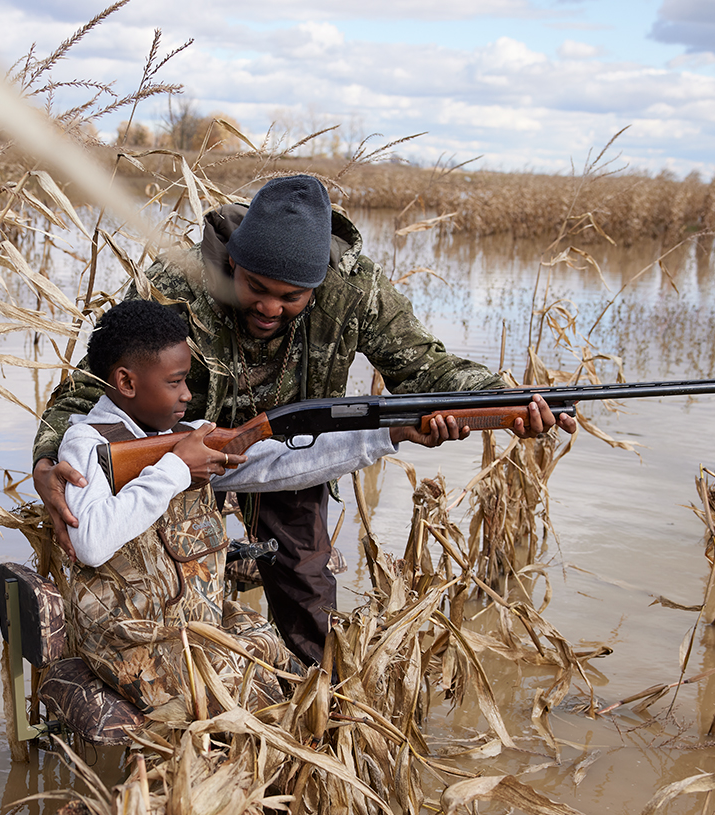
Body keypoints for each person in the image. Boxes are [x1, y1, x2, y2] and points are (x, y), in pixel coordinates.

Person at [34, 175, 576, 666]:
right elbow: (98, 381)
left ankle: (312, 721)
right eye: (256, 288)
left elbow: (425, 369)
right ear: (231, 266)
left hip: (293, 450)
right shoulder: (179, 283)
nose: (270, 308)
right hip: (180, 454)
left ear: (318, 286)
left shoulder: (356, 289)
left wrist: (501, 405)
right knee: (174, 595)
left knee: (307, 592)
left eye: (291, 297)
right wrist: (48, 457)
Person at [61, 299, 469, 711]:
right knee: (258, 703)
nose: (188, 393)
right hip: (130, 644)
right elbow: (91, 542)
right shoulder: (88, 444)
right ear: (127, 383)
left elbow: (280, 461)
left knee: (298, 673)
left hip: (193, 627)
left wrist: (390, 435)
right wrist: (175, 469)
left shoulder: (183, 436)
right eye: (176, 382)